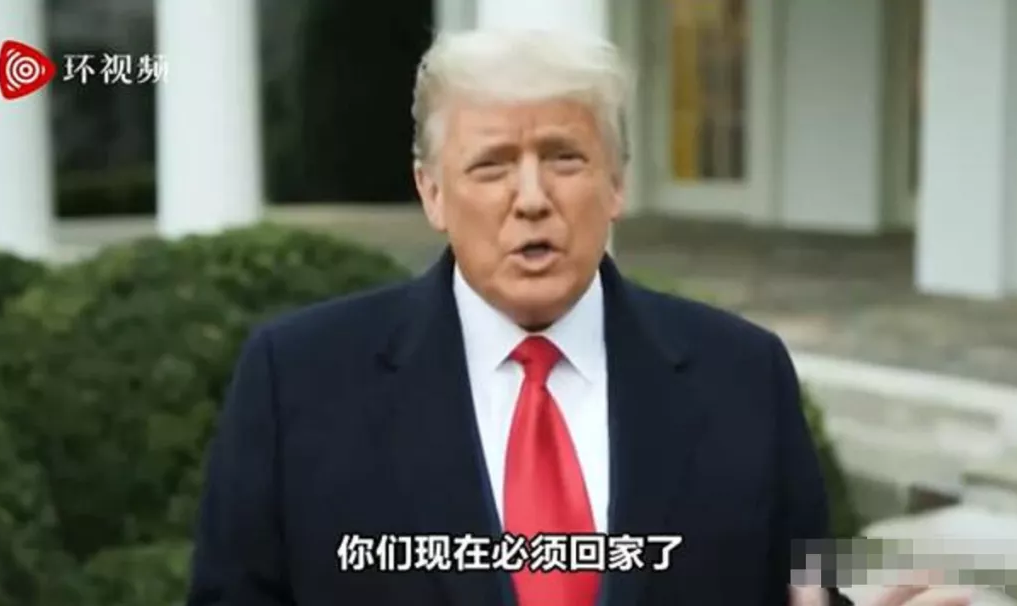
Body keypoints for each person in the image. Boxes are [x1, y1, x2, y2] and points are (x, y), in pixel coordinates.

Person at [186, 29, 971, 606]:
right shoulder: (300, 380)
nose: (532, 198)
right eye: (492, 165)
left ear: (616, 183)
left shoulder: (744, 377)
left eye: (564, 158)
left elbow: (800, 593)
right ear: (432, 192)